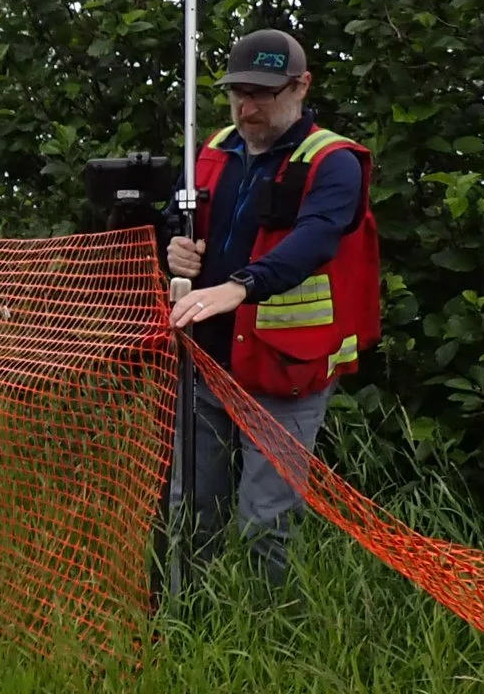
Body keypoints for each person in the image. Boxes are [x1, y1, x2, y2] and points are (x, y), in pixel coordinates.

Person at [162, 29, 382, 586]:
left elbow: (316, 239)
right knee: (191, 507)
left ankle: (265, 624)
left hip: (287, 368)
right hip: (205, 360)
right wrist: (175, 246)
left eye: (263, 93)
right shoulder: (214, 150)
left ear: (301, 86)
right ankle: (186, 616)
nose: (248, 107)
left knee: (266, 520)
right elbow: (174, 216)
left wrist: (242, 285)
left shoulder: (333, 162)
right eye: (238, 92)